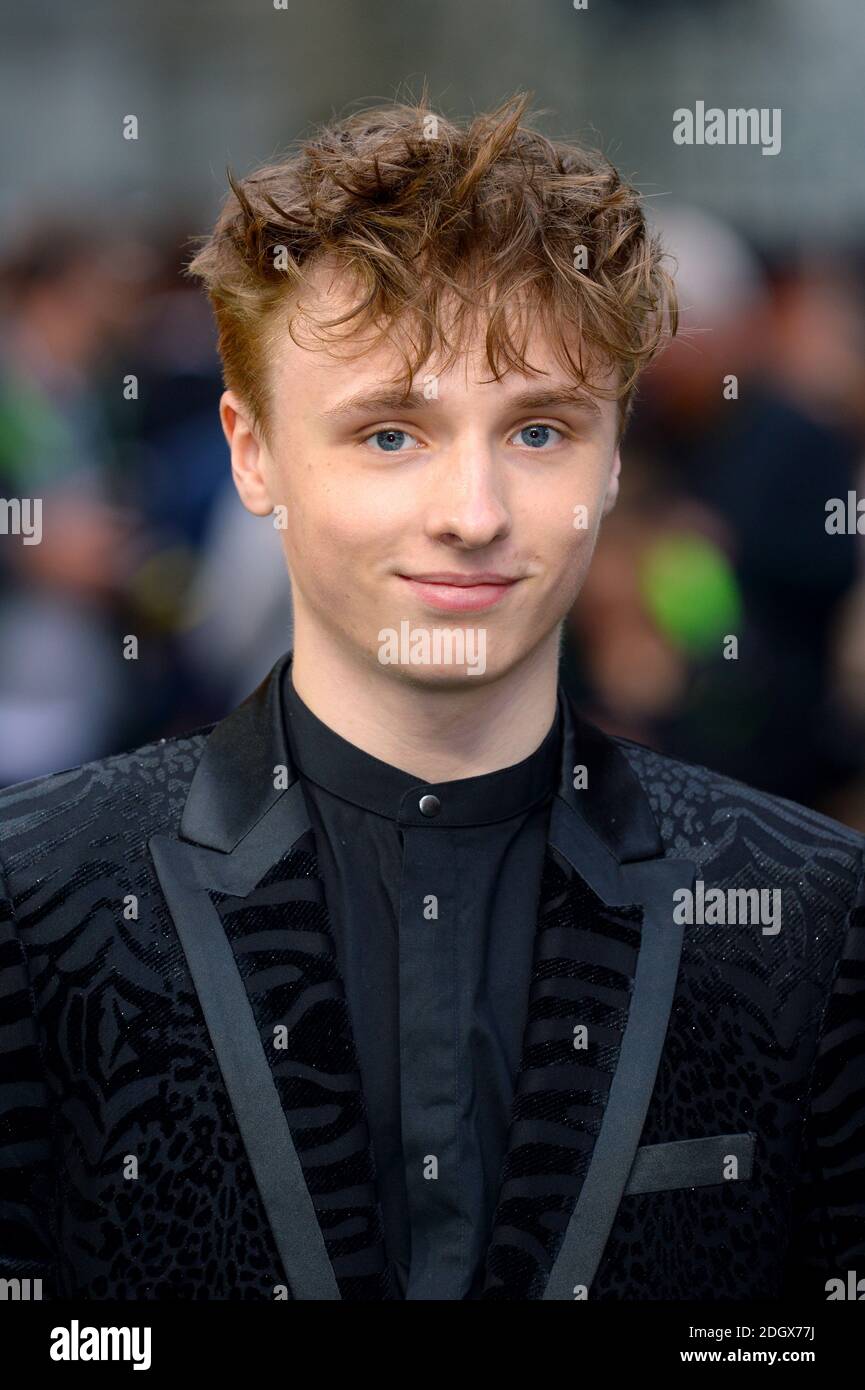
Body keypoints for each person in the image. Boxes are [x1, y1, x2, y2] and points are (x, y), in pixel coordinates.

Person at [0, 95, 862, 1302]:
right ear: (253, 453)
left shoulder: (808, 912)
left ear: (616, 459)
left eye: (540, 430)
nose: (473, 512)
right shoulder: (35, 903)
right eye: (391, 433)